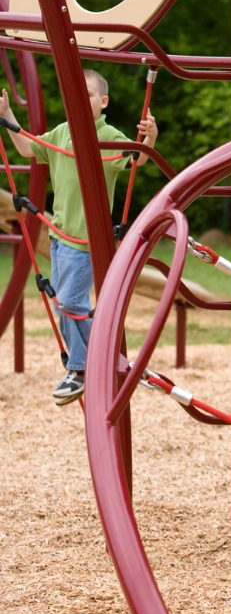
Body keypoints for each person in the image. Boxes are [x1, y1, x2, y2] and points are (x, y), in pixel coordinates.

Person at [0, 70, 158, 405]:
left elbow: (138, 159)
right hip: (59, 237)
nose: (79, 99)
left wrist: (150, 138)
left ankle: (81, 369)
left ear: (103, 103)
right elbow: (29, 148)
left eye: (87, 94)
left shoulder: (107, 135)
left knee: (71, 304)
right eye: (75, 93)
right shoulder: (60, 134)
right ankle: (109, 361)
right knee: (65, 303)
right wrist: (8, 117)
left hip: (88, 242)